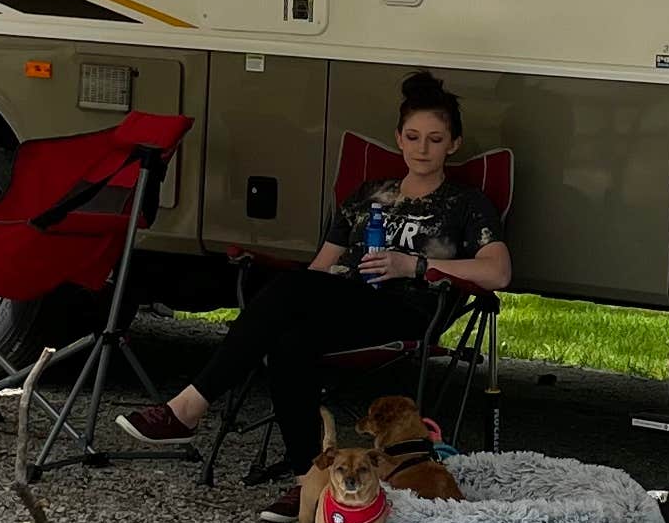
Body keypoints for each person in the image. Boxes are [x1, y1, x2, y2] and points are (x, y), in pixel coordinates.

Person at [114, 71, 509, 463]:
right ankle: (306, 472)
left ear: (453, 144)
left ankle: (188, 408)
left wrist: (414, 265)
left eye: (435, 140)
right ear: (398, 139)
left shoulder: (466, 203)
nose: (422, 149)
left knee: (290, 290)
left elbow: (498, 272)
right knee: (290, 338)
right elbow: (320, 269)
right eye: (413, 137)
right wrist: (299, 297)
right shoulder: (368, 194)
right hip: (348, 303)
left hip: (408, 313)